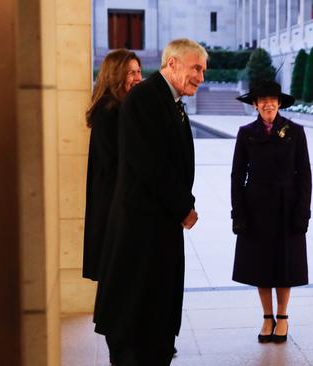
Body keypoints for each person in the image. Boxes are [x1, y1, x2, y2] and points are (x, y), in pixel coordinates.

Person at [93, 38, 206, 366]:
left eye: (203, 69)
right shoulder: (146, 97)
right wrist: (183, 205)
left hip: (158, 226)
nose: (201, 76)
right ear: (172, 64)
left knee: (155, 314)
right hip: (140, 230)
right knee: (136, 318)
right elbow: (149, 164)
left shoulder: (169, 100)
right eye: (195, 68)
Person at [231, 80, 312, 344]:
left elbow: (305, 176)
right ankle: (267, 317)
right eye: (262, 100)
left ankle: (283, 317)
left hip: (287, 208)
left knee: (285, 263)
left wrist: (303, 212)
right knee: (260, 264)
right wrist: (238, 213)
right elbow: (237, 176)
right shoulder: (246, 133)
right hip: (256, 208)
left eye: (273, 99)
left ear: (279, 103)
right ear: (255, 105)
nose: (268, 104)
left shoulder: (295, 132)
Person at [82, 48, 142, 365]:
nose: (137, 77)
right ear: (115, 75)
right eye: (130, 72)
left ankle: (127, 345)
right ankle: (120, 352)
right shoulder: (110, 112)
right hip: (114, 215)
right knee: (117, 285)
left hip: (118, 210)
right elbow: (122, 165)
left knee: (122, 283)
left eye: (138, 71)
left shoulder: (122, 109)